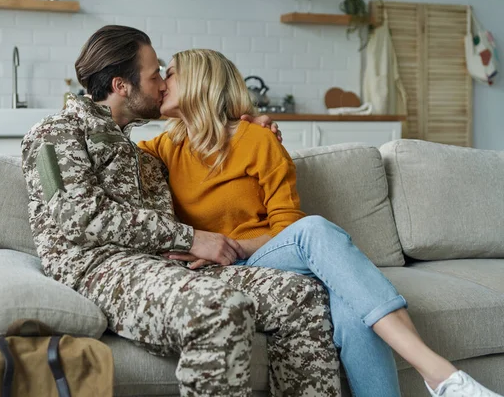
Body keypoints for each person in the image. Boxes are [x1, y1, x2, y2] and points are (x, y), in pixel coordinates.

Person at [139, 48, 503, 397]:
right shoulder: (165, 147)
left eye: (170, 72)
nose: (163, 82)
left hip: (262, 256)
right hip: (215, 269)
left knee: (351, 308)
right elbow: (110, 135)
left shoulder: (257, 140)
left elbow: (285, 225)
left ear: (202, 81)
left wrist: (232, 246)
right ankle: (440, 374)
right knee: (317, 234)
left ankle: (441, 378)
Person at [22, 25, 341, 396]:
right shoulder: (55, 133)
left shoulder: (137, 150)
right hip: (101, 270)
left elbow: (203, 144)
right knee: (220, 310)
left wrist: (245, 125)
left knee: (302, 295)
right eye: (155, 74)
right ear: (121, 85)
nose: (162, 84)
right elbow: (81, 216)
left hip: (166, 266)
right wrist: (191, 237)